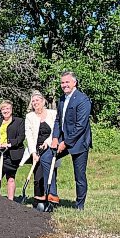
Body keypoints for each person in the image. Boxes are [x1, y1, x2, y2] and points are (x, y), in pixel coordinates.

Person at [41, 71, 92, 210]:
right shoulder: (62, 99)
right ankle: (52, 196)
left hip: (79, 141)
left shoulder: (83, 99)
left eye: (67, 82)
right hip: (63, 138)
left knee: (79, 175)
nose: (64, 85)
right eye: (62, 83)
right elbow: (58, 120)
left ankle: (80, 205)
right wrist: (55, 138)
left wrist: (65, 143)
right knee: (45, 158)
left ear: (74, 83)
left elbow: (80, 126)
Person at [19, 91, 60, 204]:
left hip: (50, 146)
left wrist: (47, 142)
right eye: (33, 101)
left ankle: (51, 199)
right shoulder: (29, 117)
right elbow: (29, 135)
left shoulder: (53, 114)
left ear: (43, 101)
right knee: (38, 176)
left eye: (37, 100)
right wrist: (33, 153)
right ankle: (38, 201)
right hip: (36, 149)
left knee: (50, 172)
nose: (35, 103)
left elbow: (56, 130)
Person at [0, 100, 25, 201]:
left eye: (8, 108)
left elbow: (21, 137)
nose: (6, 111)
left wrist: (9, 144)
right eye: (3, 109)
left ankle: (10, 201)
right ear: (1, 111)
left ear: (11, 109)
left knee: (10, 177)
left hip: (13, 152)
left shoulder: (19, 121)